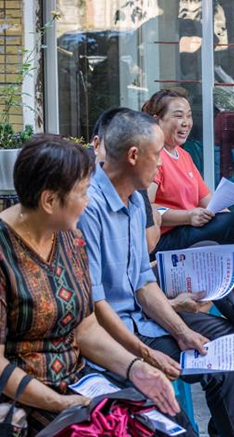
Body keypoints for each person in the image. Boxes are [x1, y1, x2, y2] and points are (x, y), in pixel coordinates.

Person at [78, 109, 234, 435]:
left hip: (143, 318)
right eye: (156, 155)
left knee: (223, 346)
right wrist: (149, 352)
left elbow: (142, 282)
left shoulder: (135, 202)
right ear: (134, 156)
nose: (161, 164)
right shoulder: (86, 209)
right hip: (115, 337)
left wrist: (180, 330)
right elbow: (94, 308)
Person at [0, 135, 180, 432]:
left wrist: (136, 368)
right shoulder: (5, 252)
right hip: (24, 400)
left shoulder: (71, 239)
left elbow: (85, 329)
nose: (87, 203)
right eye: (83, 194)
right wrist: (60, 404)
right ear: (49, 200)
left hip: (77, 385)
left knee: (165, 423)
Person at [141, 88, 234, 288]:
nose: (186, 123)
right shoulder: (154, 156)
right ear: (157, 120)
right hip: (164, 238)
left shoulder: (183, 155)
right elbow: (146, 208)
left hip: (189, 230)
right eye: (178, 116)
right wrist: (188, 216)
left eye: (189, 116)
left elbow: (209, 201)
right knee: (231, 227)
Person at [91, 106, 163, 254]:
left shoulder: (135, 198)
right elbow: (149, 243)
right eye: (156, 154)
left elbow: (143, 270)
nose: (160, 162)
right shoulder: (87, 204)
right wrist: (156, 215)